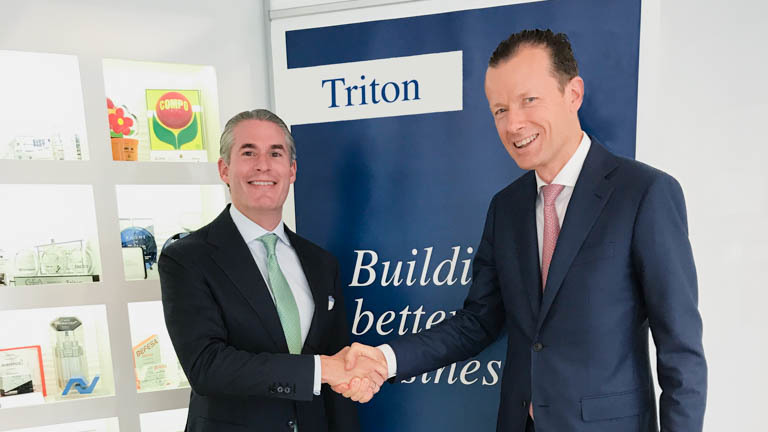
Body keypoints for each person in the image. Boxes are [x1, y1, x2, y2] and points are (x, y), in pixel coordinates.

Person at [340, 29, 707, 431]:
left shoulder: (644, 193)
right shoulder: (506, 208)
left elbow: (681, 353)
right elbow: (478, 321)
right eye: (499, 110)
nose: (513, 123)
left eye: (528, 100)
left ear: (573, 94)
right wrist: (385, 359)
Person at [159, 109, 385, 432]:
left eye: (275, 153)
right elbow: (206, 366)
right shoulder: (187, 259)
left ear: (292, 171)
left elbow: (338, 375)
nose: (263, 165)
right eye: (248, 152)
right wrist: (321, 369)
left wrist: (344, 377)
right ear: (224, 169)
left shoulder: (322, 263)